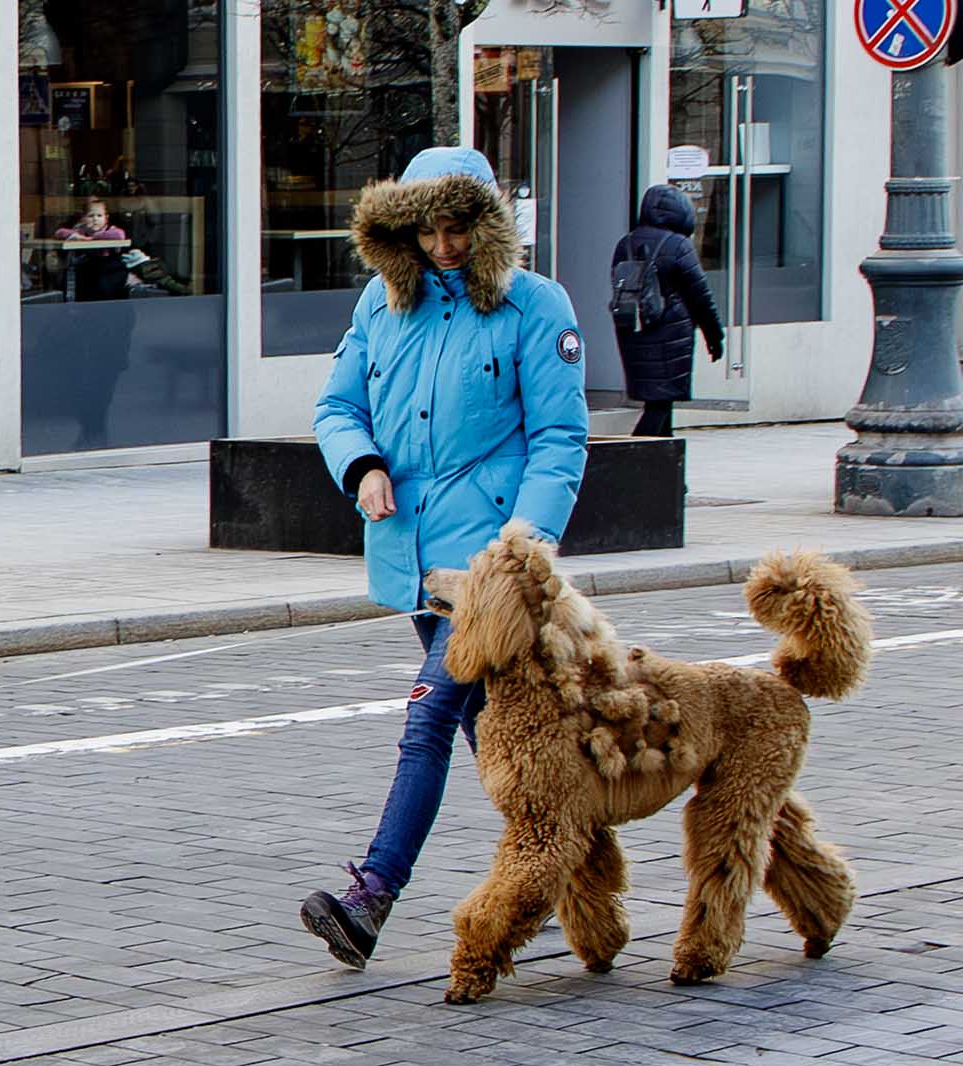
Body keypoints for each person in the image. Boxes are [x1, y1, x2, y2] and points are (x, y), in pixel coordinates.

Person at [303, 146, 590, 970]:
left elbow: (561, 437)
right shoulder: (382, 303)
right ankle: (572, 878)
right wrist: (362, 466)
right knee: (490, 733)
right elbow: (337, 405)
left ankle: (370, 899)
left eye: (458, 227)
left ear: (486, 224)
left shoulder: (535, 306)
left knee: (429, 714)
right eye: (426, 230)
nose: (443, 247)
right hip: (413, 559)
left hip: (489, 570)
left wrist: (521, 550)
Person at [610, 184, 723, 438]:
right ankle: (632, 462)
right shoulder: (678, 245)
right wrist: (714, 336)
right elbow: (700, 296)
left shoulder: (625, 244)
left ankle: (667, 472)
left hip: (633, 331)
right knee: (659, 407)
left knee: (660, 403)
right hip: (670, 336)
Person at [54, 197, 129, 301]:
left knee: (106, 288)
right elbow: (59, 233)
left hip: (109, 271)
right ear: (83, 218)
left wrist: (92, 238)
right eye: (91, 216)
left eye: (99, 216)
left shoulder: (110, 230)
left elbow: (119, 235)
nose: (95, 219)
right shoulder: (81, 231)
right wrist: (78, 236)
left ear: (106, 217)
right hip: (87, 270)